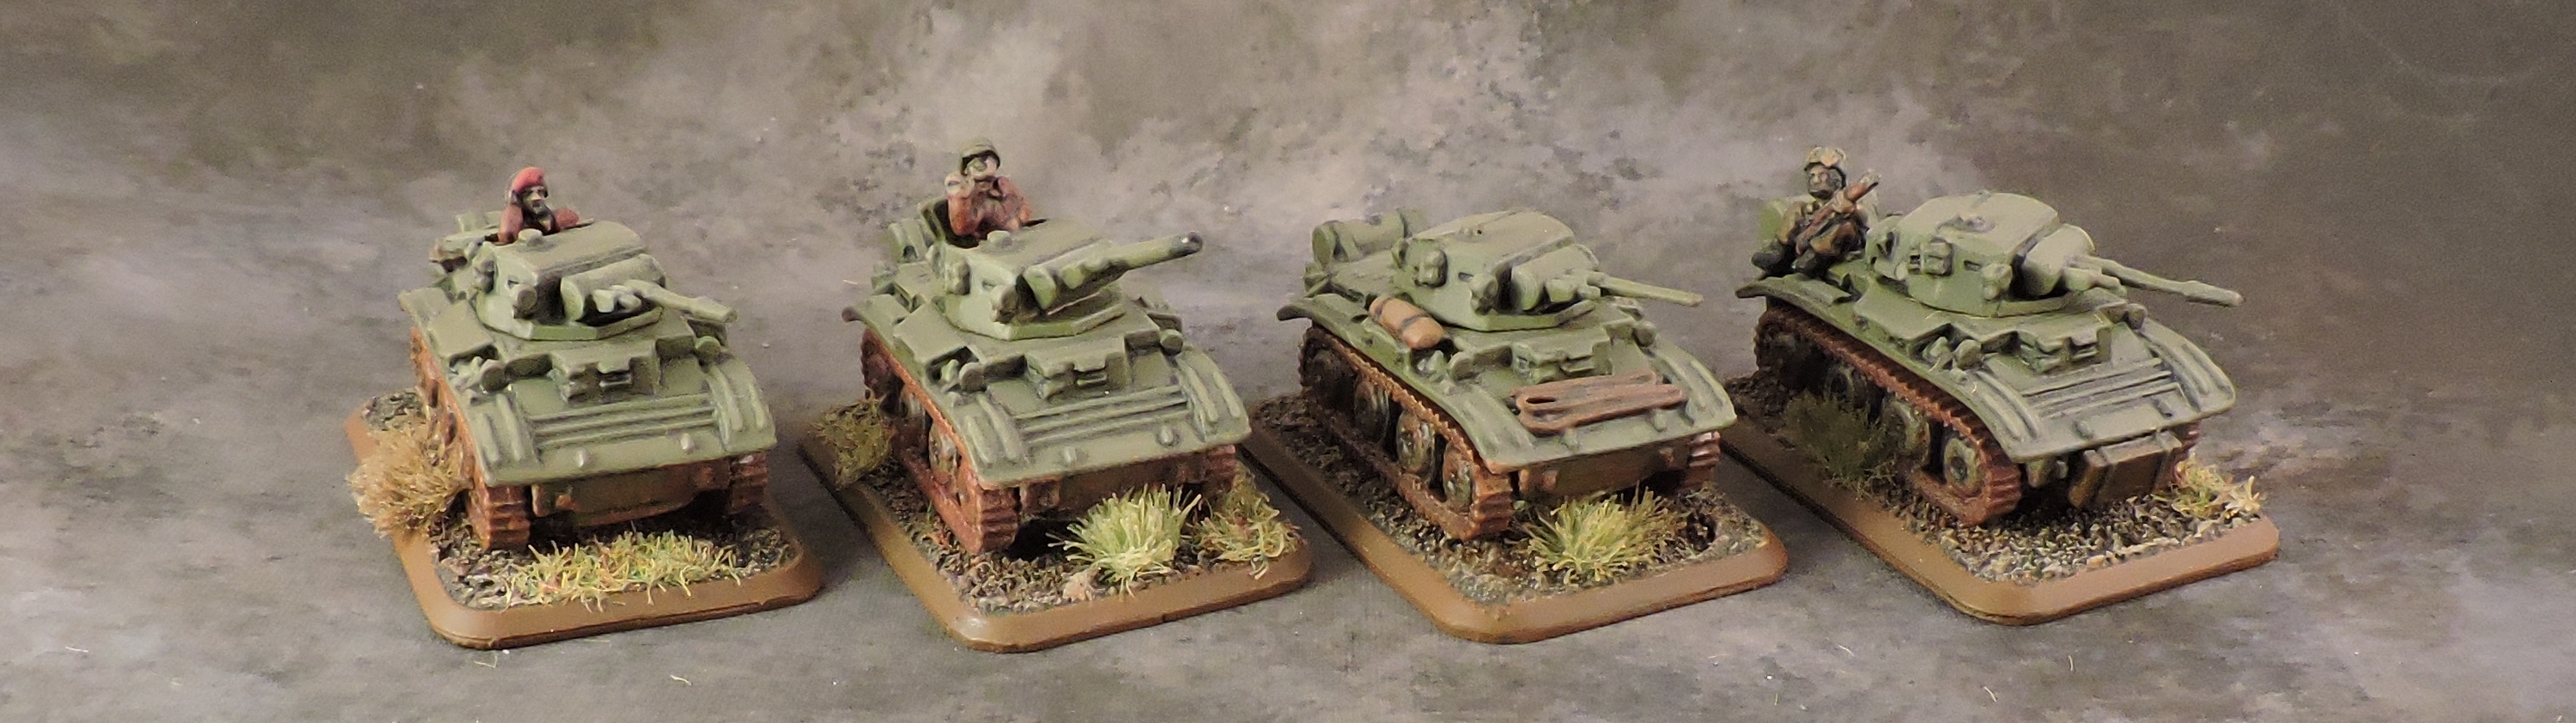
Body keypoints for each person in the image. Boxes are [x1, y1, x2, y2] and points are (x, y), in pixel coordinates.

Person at [1752, 147, 1872, 276]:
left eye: (1822, 175)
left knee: (1845, 227)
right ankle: (1780, 253)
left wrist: (1851, 210)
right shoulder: (1809, 207)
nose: (1815, 180)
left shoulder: (1850, 202)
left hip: (1836, 247)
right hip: (1808, 236)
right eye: (1812, 176)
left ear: (1836, 179)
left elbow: (1867, 225)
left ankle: (1815, 258)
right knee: (1796, 209)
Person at [944, 138, 1035, 240]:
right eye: (974, 160)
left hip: (1016, 237)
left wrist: (1017, 221)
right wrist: (964, 197)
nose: (981, 162)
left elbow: (1025, 206)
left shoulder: (1002, 185)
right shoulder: (963, 191)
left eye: (987, 157)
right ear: (966, 169)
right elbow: (961, 228)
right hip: (986, 243)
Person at [498, 167, 585, 245]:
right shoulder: (516, 219)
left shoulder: (554, 217)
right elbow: (507, 237)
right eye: (528, 194)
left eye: (540, 192)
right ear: (519, 198)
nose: (536, 198)